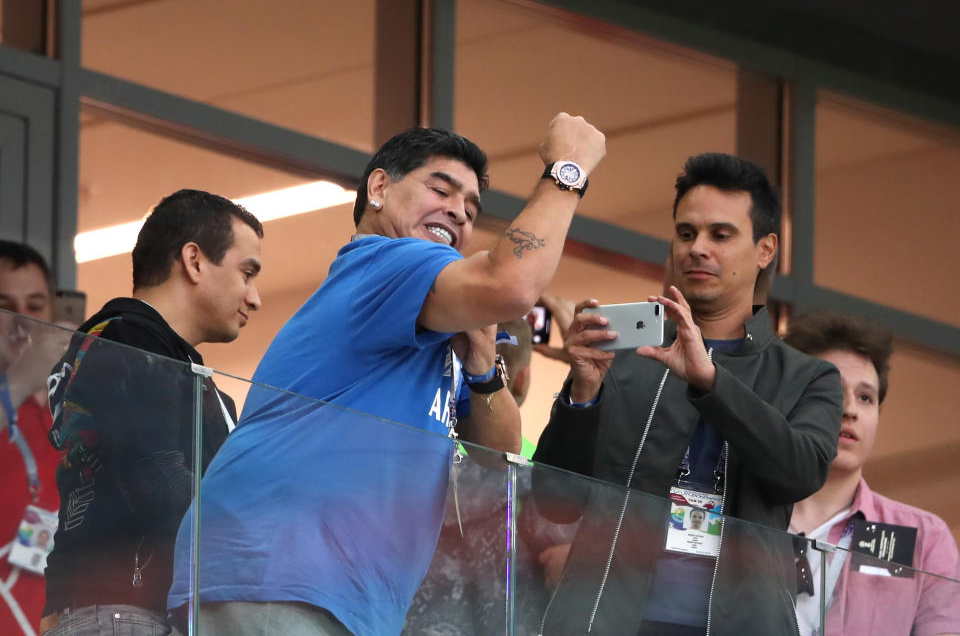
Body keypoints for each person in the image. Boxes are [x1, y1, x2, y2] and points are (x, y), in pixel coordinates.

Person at [167, 113, 606, 636]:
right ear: (379, 187)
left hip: (335, 597)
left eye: (471, 208)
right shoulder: (386, 262)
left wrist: (484, 371)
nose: (459, 213)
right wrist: (567, 170)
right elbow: (511, 283)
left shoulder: (435, 317)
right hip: (278, 575)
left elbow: (499, 453)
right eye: (440, 189)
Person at [533, 152, 843, 635]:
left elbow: (799, 472)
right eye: (686, 233)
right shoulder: (626, 352)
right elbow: (555, 501)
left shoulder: (806, 376)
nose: (698, 248)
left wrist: (711, 382)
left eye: (721, 235)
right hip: (606, 618)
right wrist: (583, 393)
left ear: (765, 250)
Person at [39, 190, 263, 636]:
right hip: (125, 615)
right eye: (247, 272)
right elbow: (161, 485)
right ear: (195, 261)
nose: (254, 298)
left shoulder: (152, 357)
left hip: (125, 612)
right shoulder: (127, 342)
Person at [786, 310, 960, 636]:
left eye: (866, 397)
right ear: (791, 399)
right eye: (832, 391)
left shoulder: (925, 537)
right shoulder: (740, 511)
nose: (849, 410)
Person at [0, 241, 69, 635]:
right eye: (5, 305)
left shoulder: (75, 403)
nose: (21, 320)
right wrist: (22, 379)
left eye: (36, 305)